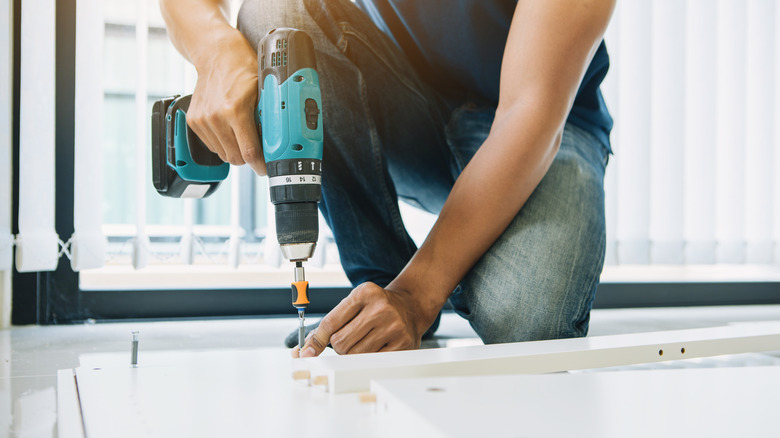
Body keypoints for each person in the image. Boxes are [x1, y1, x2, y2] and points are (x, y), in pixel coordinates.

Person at [160, 0, 615, 358]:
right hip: (409, 106)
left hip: (545, 122)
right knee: (275, 16)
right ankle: (378, 284)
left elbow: (529, 111)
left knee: (529, 325)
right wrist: (217, 52)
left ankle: (408, 292)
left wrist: (416, 297)